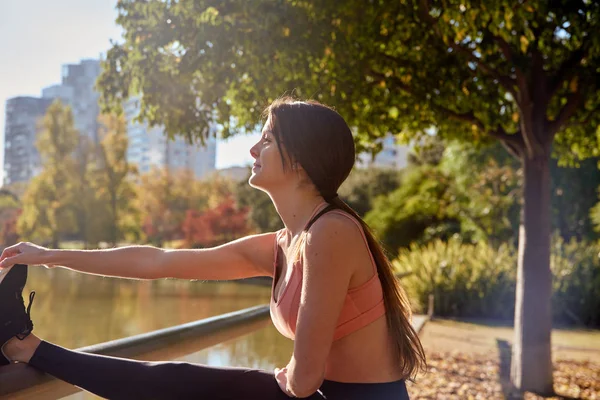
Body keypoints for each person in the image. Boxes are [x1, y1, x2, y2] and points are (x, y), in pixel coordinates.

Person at [0, 97, 426, 399]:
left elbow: (303, 379)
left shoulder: (330, 233)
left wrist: (266, 384)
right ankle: (25, 345)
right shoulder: (285, 244)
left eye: (267, 140)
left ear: (302, 159)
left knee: (180, 383)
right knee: (179, 381)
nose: (252, 148)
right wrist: (48, 255)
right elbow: (159, 261)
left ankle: (23, 346)